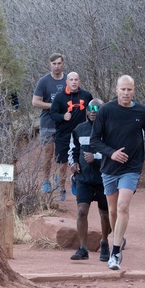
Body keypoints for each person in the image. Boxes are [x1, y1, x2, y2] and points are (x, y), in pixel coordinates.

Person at [89, 75, 145, 270]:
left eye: (129, 89)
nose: (126, 93)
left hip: (131, 167)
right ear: (116, 90)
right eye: (123, 89)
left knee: (123, 206)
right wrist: (112, 153)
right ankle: (119, 236)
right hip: (109, 168)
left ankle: (115, 252)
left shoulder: (142, 112)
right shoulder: (106, 110)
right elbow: (95, 140)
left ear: (134, 90)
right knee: (113, 211)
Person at [68, 98, 112, 261]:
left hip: (104, 178)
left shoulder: (109, 130)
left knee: (105, 214)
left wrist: (96, 157)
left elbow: (112, 152)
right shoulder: (79, 129)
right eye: (91, 109)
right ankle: (83, 249)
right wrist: (73, 163)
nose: (93, 112)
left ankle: (105, 243)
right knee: (81, 211)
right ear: (86, 111)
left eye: (97, 109)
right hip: (84, 178)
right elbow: (73, 149)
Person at [49, 72, 93, 201]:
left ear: (79, 81)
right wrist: (63, 116)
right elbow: (52, 114)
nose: (74, 82)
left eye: (76, 80)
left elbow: (93, 110)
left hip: (81, 135)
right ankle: (61, 190)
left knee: (81, 161)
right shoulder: (59, 97)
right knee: (62, 164)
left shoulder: (86, 95)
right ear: (67, 82)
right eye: (71, 80)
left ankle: (77, 182)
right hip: (63, 135)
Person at [30, 53, 66, 194]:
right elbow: (35, 102)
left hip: (64, 124)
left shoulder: (68, 80)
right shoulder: (44, 81)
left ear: (63, 64)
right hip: (47, 123)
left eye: (59, 63)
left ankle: (59, 180)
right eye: (54, 64)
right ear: (49, 64)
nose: (56, 66)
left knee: (62, 155)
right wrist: (53, 106)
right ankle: (46, 181)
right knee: (48, 154)